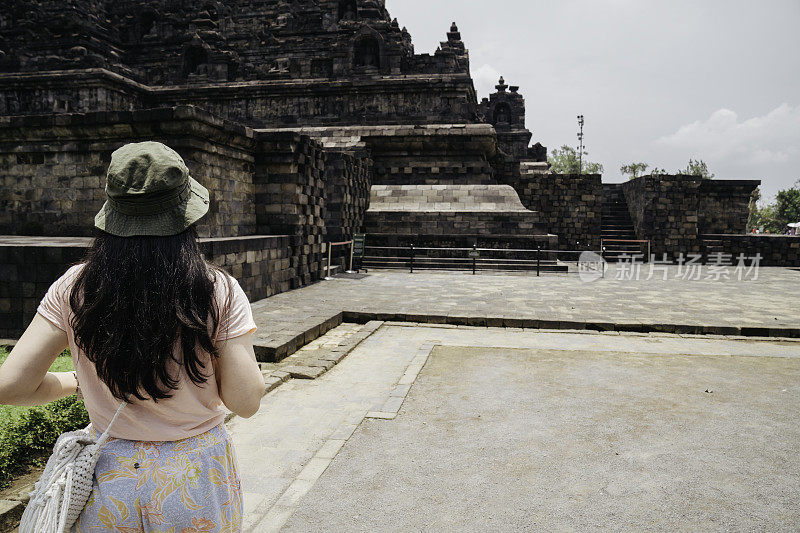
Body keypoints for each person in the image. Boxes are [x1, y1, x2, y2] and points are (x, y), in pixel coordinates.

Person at [0, 142, 265, 531]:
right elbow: (245, 401)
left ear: (112, 213)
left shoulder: (74, 287)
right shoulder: (216, 289)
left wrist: (76, 383)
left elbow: (10, 386)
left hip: (111, 477)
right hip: (194, 478)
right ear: (187, 214)